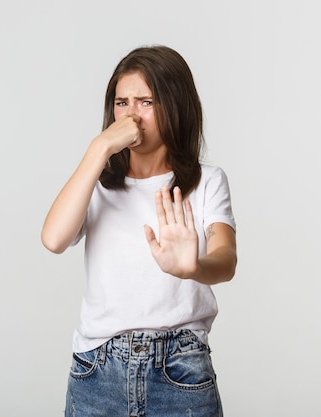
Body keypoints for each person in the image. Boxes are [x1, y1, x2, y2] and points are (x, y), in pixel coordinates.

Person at [41, 45, 237, 417]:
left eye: (146, 102)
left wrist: (193, 267)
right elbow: (53, 239)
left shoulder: (207, 182)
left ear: (174, 105)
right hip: (98, 371)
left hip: (180, 370)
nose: (131, 115)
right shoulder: (94, 183)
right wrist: (99, 148)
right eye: (121, 103)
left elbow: (226, 260)